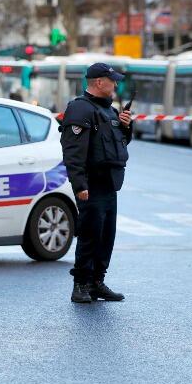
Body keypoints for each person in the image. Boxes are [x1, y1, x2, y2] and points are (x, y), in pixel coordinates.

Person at [60, 63, 132, 303]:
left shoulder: (109, 111)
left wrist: (126, 127)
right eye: (112, 81)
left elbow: (118, 144)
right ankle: (80, 284)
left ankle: (97, 282)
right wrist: (79, 185)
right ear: (99, 82)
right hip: (91, 185)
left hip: (110, 185)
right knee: (90, 236)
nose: (116, 85)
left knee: (106, 236)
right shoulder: (80, 109)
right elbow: (73, 151)